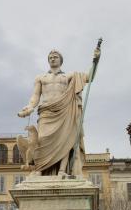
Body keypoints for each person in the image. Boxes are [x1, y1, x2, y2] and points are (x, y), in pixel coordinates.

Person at [18, 48, 100, 176]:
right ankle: (40, 169)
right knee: (42, 139)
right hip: (46, 111)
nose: (52, 58)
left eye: (55, 56)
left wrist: (96, 60)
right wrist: (29, 107)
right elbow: (35, 96)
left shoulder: (69, 76)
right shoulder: (41, 77)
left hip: (65, 111)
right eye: (50, 57)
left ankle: (62, 171)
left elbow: (90, 77)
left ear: (61, 60)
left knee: (65, 140)